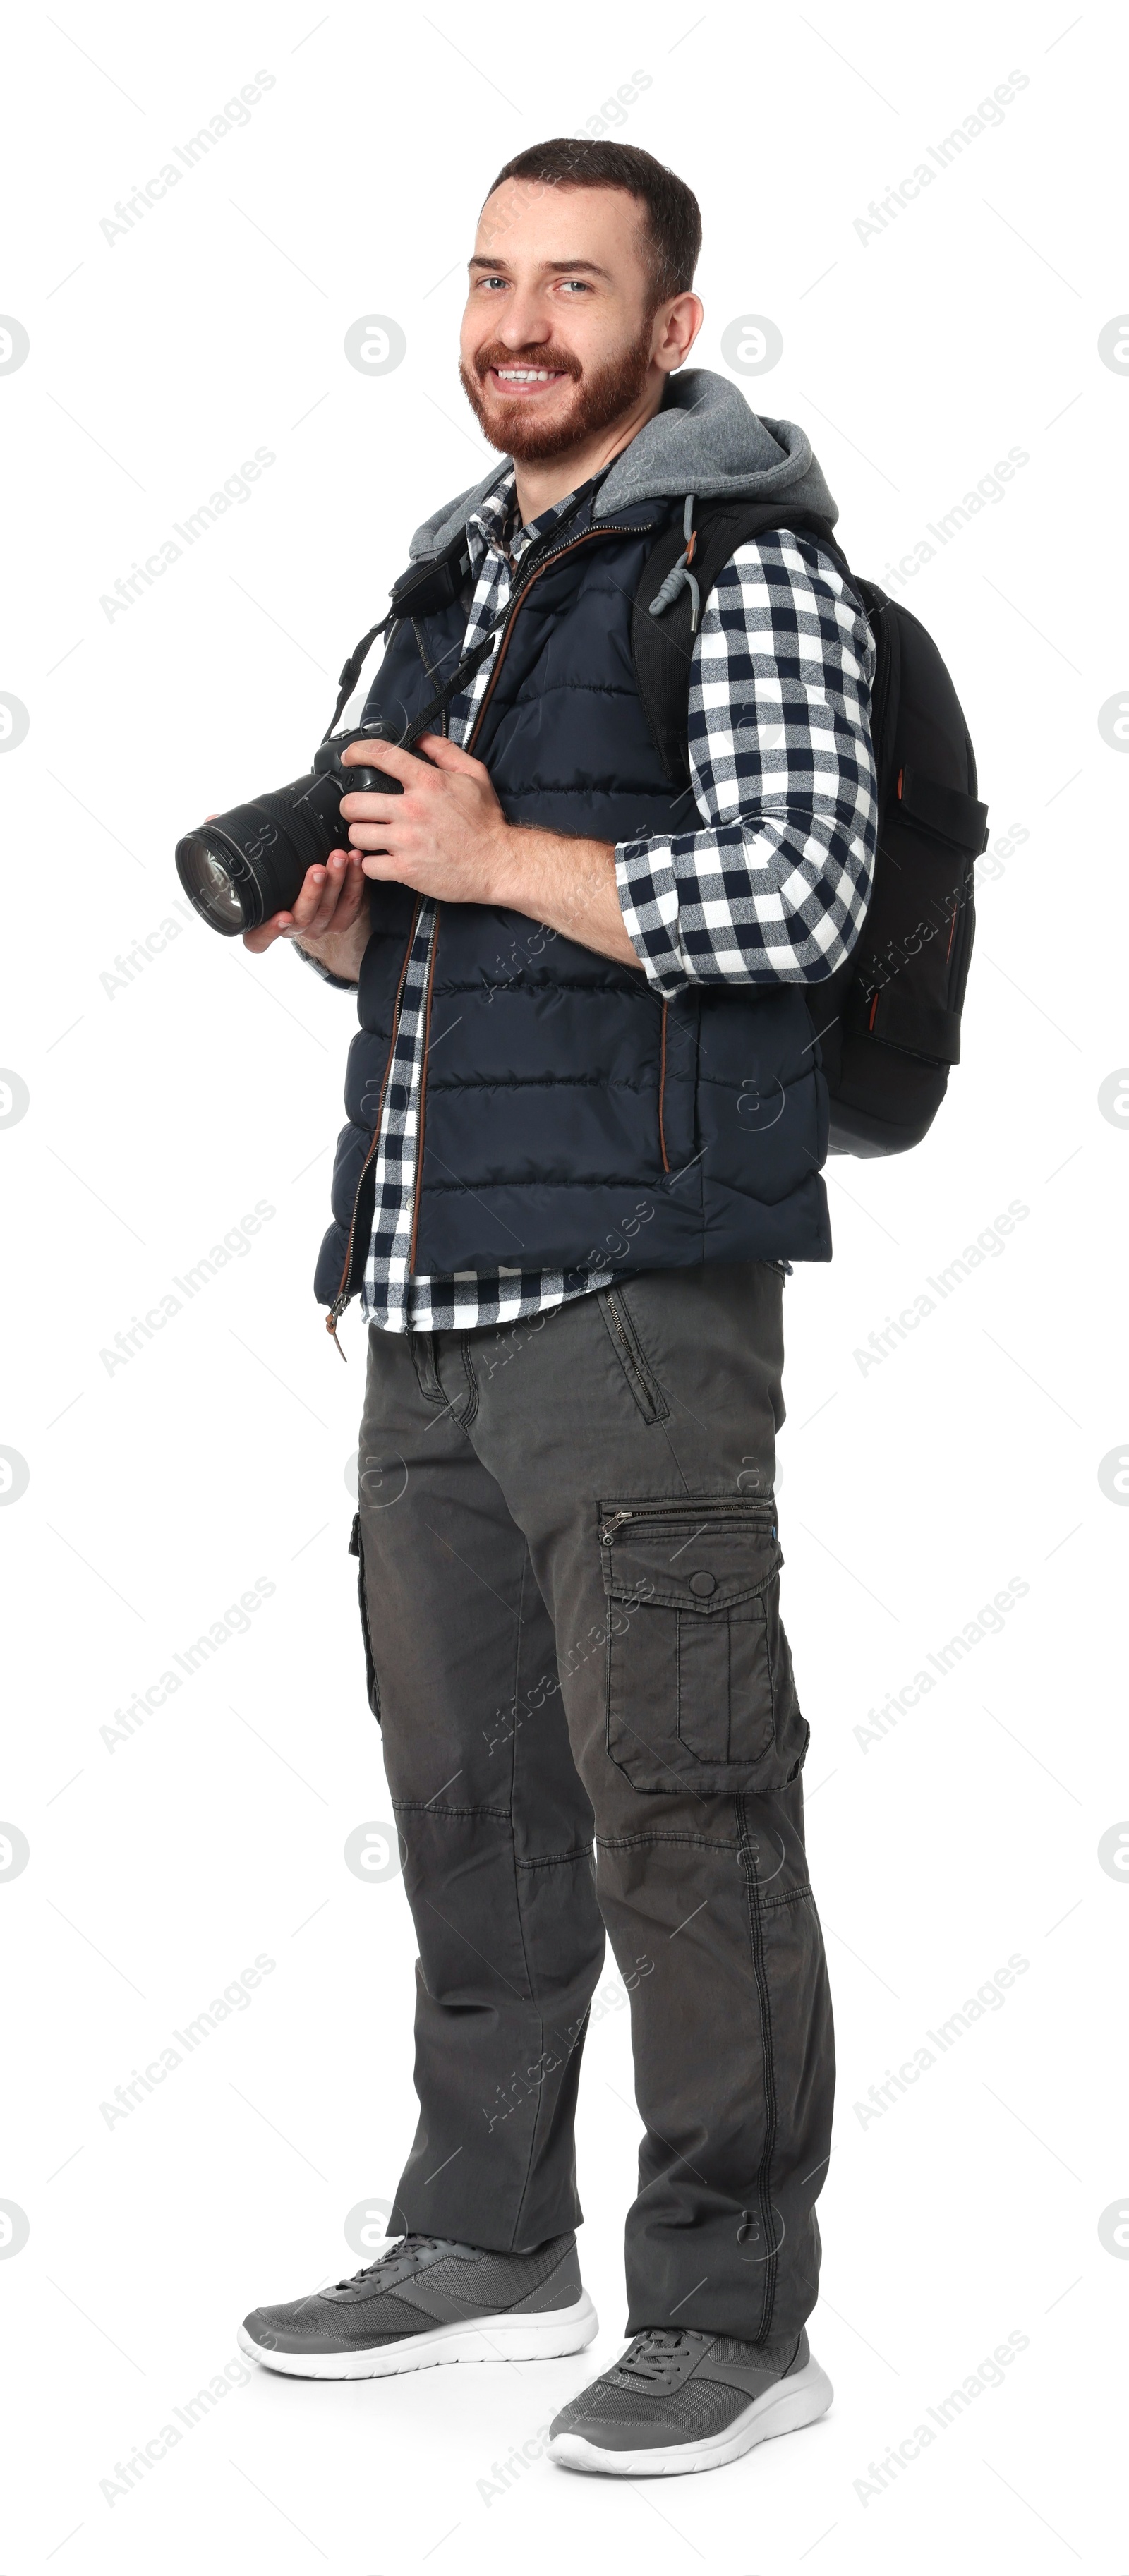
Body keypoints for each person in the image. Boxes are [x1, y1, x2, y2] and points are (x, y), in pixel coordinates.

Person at [236, 137, 877, 2479]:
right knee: (477, 1803)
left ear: (668, 327)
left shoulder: (750, 567)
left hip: (632, 1302)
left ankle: (733, 2308)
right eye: (495, 278)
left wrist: (500, 853)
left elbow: (800, 891)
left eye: (576, 285)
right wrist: (353, 924)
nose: (521, 319)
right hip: (419, 1299)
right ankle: (486, 2232)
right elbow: (467, 942)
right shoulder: (453, 573)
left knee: (683, 1809)